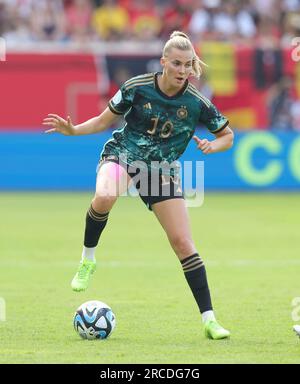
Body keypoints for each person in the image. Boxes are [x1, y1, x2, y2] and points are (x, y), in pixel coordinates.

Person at [43, 31, 234, 340]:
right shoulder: (137, 87)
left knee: (183, 244)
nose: (183, 70)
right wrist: (75, 130)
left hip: (160, 170)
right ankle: (87, 260)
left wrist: (214, 145)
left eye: (188, 64)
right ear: (163, 63)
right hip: (123, 155)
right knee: (105, 195)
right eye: (177, 64)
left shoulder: (197, 103)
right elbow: (105, 120)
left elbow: (228, 135)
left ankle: (210, 320)